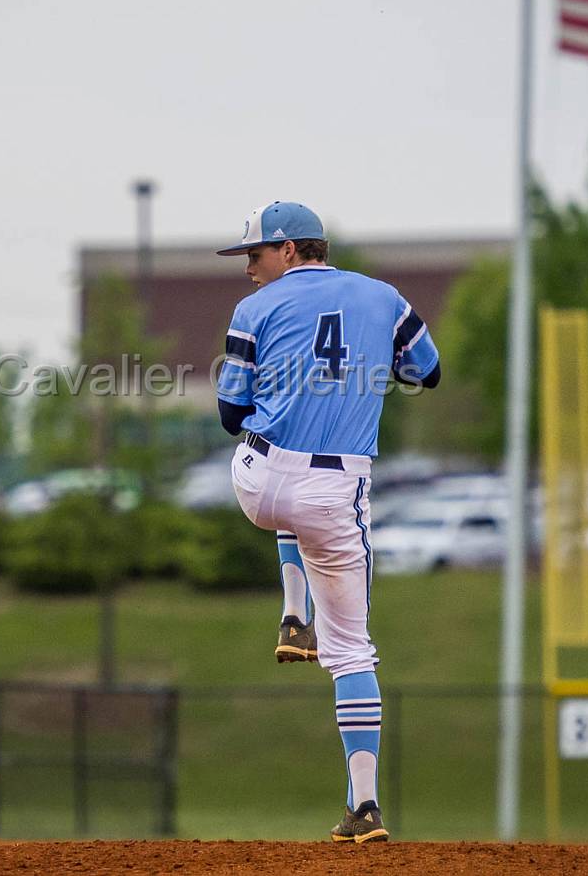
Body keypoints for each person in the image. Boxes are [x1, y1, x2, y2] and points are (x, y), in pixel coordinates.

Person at [214, 201, 440, 844]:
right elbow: (427, 372)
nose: (248, 268)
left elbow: (232, 412)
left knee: (287, 503)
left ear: (290, 250)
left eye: (254, 254)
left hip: (258, 480)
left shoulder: (254, 310)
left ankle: (293, 613)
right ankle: (364, 807)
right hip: (336, 488)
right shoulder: (384, 297)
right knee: (354, 652)